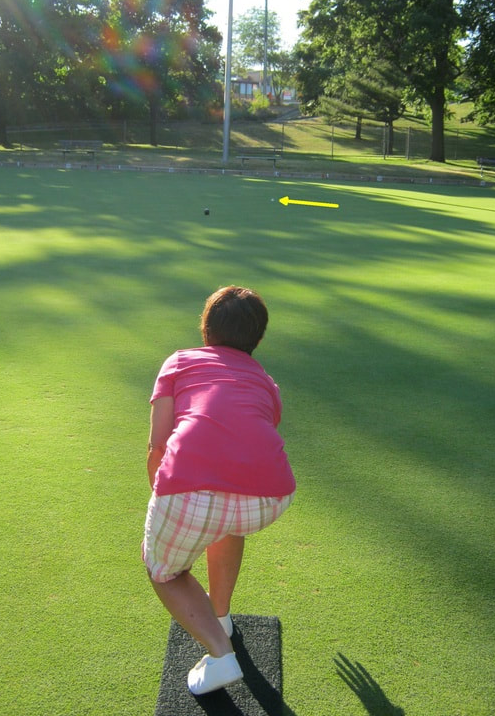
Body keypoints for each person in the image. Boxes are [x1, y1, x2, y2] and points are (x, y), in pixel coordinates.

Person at [142, 286, 296, 696]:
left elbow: (158, 446)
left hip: (191, 492)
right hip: (271, 498)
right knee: (228, 520)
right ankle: (221, 616)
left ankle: (219, 652)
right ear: (258, 339)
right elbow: (249, 448)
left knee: (164, 571)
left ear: (205, 330)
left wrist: (163, 499)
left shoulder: (179, 361)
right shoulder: (266, 380)